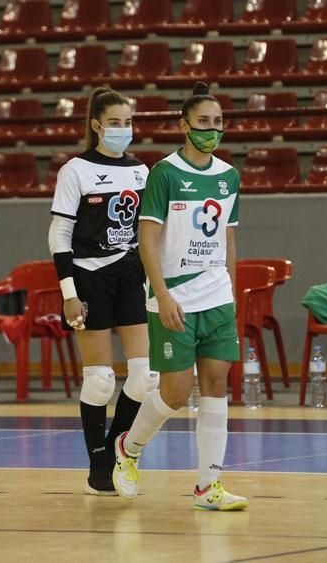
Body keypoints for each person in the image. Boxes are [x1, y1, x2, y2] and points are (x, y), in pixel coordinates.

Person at [112, 82, 248, 511]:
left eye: (218, 123)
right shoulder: (165, 173)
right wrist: (163, 294)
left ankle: (209, 487)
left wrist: (232, 288)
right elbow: (146, 239)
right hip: (174, 298)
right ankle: (128, 448)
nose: (212, 130)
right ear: (184, 125)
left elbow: (229, 239)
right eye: (204, 122)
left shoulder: (229, 176)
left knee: (215, 385)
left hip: (216, 295)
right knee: (174, 392)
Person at [49, 87, 156, 496]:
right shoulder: (75, 170)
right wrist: (68, 291)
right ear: (96, 125)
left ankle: (117, 449)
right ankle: (98, 464)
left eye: (127, 122)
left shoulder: (140, 171)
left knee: (145, 378)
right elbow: (59, 233)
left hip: (130, 274)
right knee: (99, 381)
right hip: (88, 277)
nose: (122, 130)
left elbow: (146, 232)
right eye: (114, 123)